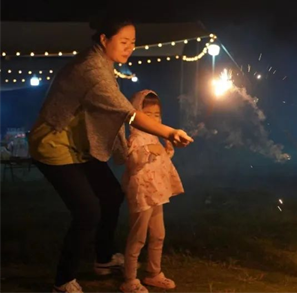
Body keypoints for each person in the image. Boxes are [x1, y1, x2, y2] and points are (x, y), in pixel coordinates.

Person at [29, 16, 193, 293]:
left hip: (79, 144)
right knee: (87, 211)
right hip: (54, 143)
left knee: (112, 195)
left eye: (133, 42)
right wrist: (169, 131)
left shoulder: (102, 63)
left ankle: (103, 258)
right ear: (104, 39)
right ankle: (63, 280)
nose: (130, 48)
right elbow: (128, 113)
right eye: (124, 41)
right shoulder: (91, 69)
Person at [120, 90, 184, 293]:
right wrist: (147, 151)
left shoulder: (155, 137)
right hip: (142, 194)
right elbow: (131, 163)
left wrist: (167, 149)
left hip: (156, 193)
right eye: (148, 115)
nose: (154, 119)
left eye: (157, 115)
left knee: (158, 234)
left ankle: (153, 273)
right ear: (137, 114)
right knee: (138, 237)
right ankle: (130, 279)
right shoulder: (134, 139)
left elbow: (160, 160)